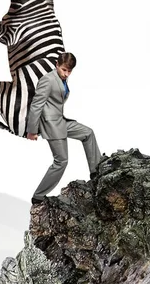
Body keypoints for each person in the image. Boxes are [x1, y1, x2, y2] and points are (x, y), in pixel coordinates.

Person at [26, 52, 102, 205]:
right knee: (61, 161)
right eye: (63, 70)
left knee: (88, 133)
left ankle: (96, 172)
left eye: (69, 71)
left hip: (61, 121)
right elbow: (36, 105)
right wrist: (32, 130)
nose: (66, 74)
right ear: (56, 65)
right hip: (52, 125)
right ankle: (38, 196)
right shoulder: (48, 80)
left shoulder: (62, 80)